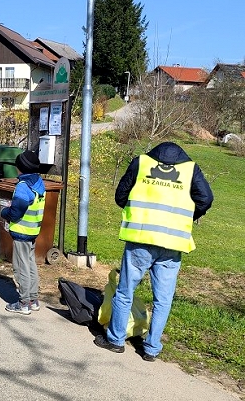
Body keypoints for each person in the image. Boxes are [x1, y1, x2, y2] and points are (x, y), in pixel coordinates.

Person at [94, 141, 213, 361]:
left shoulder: (141, 163)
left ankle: (116, 340)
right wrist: (190, 216)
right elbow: (206, 199)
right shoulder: (190, 169)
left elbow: (121, 195)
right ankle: (151, 348)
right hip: (172, 244)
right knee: (163, 299)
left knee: (125, 291)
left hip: (140, 238)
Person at [1, 150, 46, 315]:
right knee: (30, 264)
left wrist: (4, 213)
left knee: (21, 267)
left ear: (20, 168)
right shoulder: (38, 182)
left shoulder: (22, 186)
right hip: (33, 230)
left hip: (21, 231)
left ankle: (24, 303)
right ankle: (33, 299)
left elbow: (16, 212)